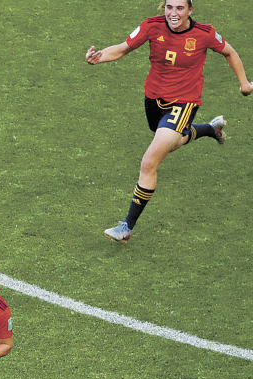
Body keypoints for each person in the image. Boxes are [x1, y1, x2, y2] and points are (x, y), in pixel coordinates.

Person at [85, 1, 253, 243]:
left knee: (149, 161)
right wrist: (98, 57)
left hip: (185, 102)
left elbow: (230, 51)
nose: (174, 13)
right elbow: (122, 48)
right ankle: (210, 129)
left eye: (180, 8)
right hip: (153, 101)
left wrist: (244, 84)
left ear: (190, 10)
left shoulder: (204, 34)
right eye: (170, 7)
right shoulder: (151, 26)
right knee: (172, 140)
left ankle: (126, 226)